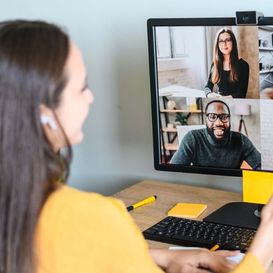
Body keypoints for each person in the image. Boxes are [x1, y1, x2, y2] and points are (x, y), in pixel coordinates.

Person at [0, 19, 271, 273]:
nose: (91, 97)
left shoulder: (23, 210)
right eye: (82, 87)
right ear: (43, 112)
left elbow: (84, 250)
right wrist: (262, 249)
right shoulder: (93, 216)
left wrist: (167, 256)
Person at [171, 100, 261, 169]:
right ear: (206, 120)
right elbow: (174, 170)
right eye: (212, 117)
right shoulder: (193, 138)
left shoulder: (241, 140)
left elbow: (261, 166)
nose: (218, 123)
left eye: (224, 117)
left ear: (229, 119)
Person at [204, 28, 249, 98]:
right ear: (217, 45)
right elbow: (207, 87)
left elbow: (241, 93)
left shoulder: (243, 65)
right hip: (220, 103)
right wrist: (210, 94)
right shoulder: (215, 63)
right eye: (221, 41)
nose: (224, 44)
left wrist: (225, 98)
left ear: (233, 42)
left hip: (235, 104)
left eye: (227, 40)